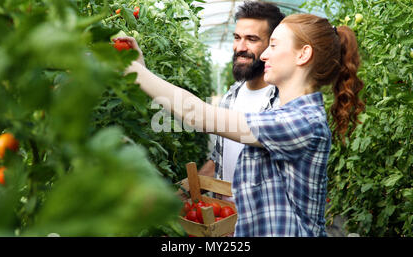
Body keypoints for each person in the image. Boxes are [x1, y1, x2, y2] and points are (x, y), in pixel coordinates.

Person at [122, 13, 364, 236]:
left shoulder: (302, 122)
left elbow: (196, 114)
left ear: (303, 54)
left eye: (274, 45)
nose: (265, 55)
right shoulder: (282, 113)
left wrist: (137, 73)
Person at [197, 2, 285, 204]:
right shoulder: (231, 96)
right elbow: (217, 159)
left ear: (272, 46)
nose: (240, 47)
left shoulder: (282, 103)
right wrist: (185, 191)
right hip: (223, 222)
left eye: (251, 39)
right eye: (237, 38)